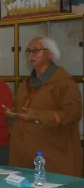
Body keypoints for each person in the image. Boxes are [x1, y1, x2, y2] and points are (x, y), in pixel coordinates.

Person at [6, 36, 83, 176]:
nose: (30, 55)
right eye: (28, 51)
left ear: (50, 54)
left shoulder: (64, 82)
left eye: (35, 50)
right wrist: (11, 112)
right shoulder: (27, 83)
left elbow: (73, 113)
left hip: (52, 157)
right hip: (24, 157)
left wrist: (38, 116)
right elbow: (21, 108)